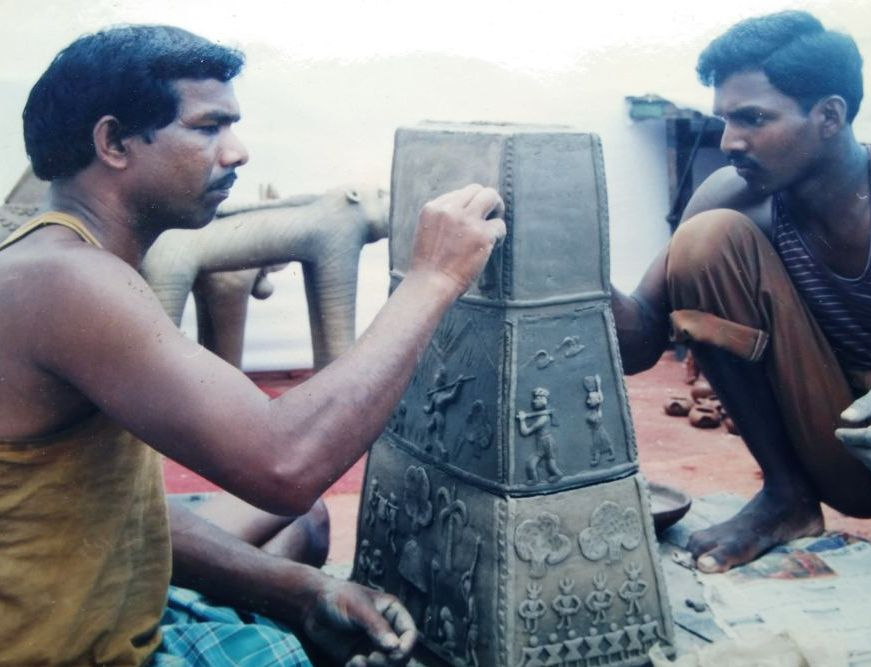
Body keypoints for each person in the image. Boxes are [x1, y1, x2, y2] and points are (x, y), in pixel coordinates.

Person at [0, 25, 505, 667]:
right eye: (209, 127)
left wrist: (301, 591)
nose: (236, 153)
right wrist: (433, 279)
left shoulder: (62, 257)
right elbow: (286, 464)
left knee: (307, 528)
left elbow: (124, 513)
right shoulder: (68, 280)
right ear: (114, 142)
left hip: (96, 594)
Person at [613, 10, 871, 576]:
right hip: (831, 439)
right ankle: (786, 498)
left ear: (829, 115)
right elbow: (638, 343)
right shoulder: (734, 196)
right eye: (725, 119)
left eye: (753, 118)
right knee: (704, 238)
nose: (729, 141)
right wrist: (566, 258)